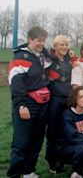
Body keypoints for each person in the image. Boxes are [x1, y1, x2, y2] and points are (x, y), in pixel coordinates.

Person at [7, 26, 52, 178]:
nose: (41, 44)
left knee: (37, 140)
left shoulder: (42, 56)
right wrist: (21, 105)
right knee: (22, 142)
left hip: (42, 105)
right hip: (27, 104)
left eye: (43, 41)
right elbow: (16, 83)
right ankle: (14, 174)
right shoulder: (20, 57)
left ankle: (28, 171)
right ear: (30, 40)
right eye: (38, 40)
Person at [46, 35, 76, 174]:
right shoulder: (49, 59)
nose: (64, 47)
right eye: (61, 45)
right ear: (55, 47)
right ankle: (52, 161)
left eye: (66, 45)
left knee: (65, 130)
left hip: (68, 100)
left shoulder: (69, 60)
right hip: (55, 100)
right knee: (53, 131)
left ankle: (62, 159)